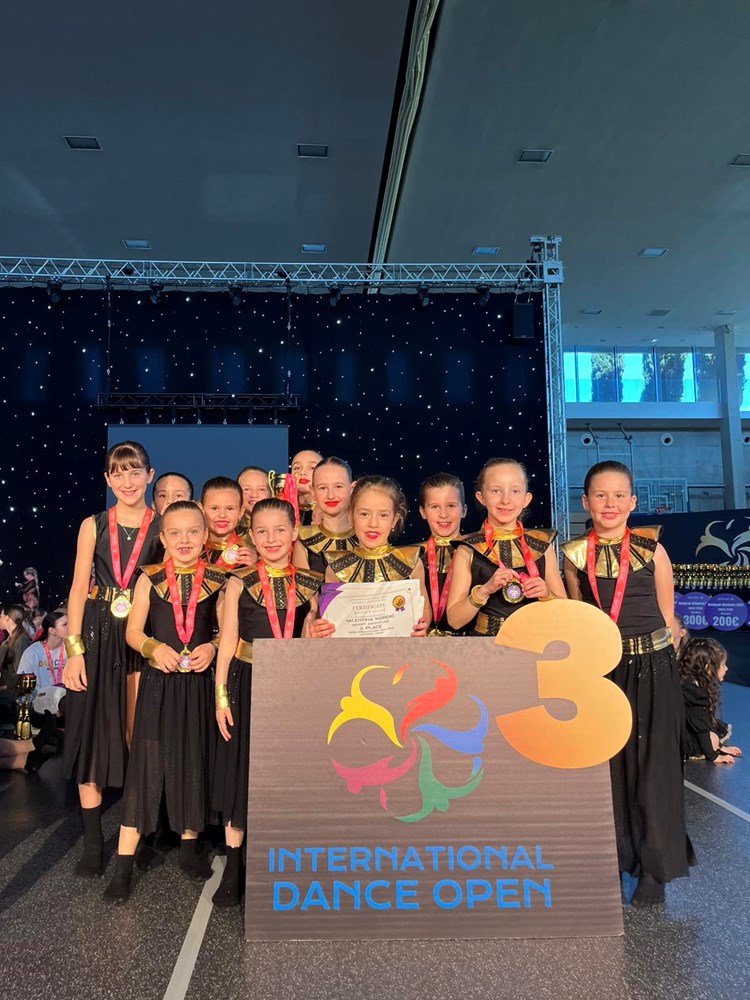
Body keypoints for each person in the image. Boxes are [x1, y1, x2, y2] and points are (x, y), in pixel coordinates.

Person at [562, 459, 693, 906]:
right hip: (604, 671)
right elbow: (581, 618)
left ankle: (656, 871)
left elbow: (668, 616)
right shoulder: (573, 556)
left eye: (619, 495)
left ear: (633, 502)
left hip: (654, 668)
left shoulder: (653, 550)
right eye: (600, 495)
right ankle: (615, 861)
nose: (610, 503)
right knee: (609, 771)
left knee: (655, 769)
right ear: (585, 502)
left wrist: (671, 675)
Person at [103, 502, 226, 904]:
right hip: (159, 683)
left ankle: (189, 851)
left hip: (197, 686)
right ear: (163, 538)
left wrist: (211, 646)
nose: (184, 540)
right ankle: (123, 867)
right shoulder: (149, 578)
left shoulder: (219, 580)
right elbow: (133, 632)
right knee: (147, 766)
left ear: (205, 536)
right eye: (175, 533)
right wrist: (153, 648)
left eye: (193, 531)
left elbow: (225, 632)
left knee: (192, 761)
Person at [211, 498, 322, 907]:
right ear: (251, 537)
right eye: (262, 531)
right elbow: (227, 642)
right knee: (240, 772)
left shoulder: (311, 583)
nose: (271, 538)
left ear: (294, 533)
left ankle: (280, 862)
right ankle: (233, 868)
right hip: (246, 680)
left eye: (279, 530)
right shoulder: (238, 582)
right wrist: (221, 696)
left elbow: (311, 638)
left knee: (287, 772)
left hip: (293, 685)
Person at [62, 440, 162, 878]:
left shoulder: (164, 525)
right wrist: (74, 650)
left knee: (140, 736)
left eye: (135, 471)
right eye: (118, 473)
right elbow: (77, 588)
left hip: (142, 632)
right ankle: (91, 843)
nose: (127, 481)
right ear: (107, 479)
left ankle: (138, 832)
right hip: (98, 632)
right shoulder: (94, 524)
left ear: (149, 475)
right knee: (91, 735)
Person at [447, 458, 564, 636]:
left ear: (526, 499)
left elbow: (565, 612)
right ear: (481, 497)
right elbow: (455, 620)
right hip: (485, 645)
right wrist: (484, 591)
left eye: (515, 491)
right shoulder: (468, 547)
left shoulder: (542, 544)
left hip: (534, 641)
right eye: (496, 491)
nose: (506, 500)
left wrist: (547, 594)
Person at [310, 475, 430, 638]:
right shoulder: (336, 568)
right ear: (351, 515)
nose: (373, 523)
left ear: (394, 520)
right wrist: (321, 629)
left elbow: (424, 609)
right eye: (364, 514)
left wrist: (422, 625)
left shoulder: (411, 562)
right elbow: (330, 620)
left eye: (383, 515)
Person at [417, 473, 468, 635]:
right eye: (434, 507)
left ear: (464, 510)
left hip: (468, 643)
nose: (443, 514)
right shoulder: (410, 556)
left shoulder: (479, 552)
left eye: (451, 506)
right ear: (423, 512)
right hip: (421, 643)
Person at [17, 609, 68, 772]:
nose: (70, 627)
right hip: (40, 702)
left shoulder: (70, 648)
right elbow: (24, 687)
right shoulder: (33, 652)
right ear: (52, 630)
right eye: (65, 624)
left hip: (65, 699)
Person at [679, 636, 742, 765]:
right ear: (708, 668)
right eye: (723, 665)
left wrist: (720, 747)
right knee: (711, 739)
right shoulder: (691, 692)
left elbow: (704, 720)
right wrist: (713, 756)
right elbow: (700, 727)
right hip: (678, 733)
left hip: (687, 725)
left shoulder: (694, 681)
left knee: (713, 735)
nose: (726, 668)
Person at [293, 456, 357, 574]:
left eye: (338, 487)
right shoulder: (304, 539)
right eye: (322, 488)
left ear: (352, 489)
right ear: (313, 491)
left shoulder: (366, 537)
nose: (331, 495)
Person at [201, 476, 256, 571]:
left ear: (241, 512)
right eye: (214, 508)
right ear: (201, 510)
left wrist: (255, 568)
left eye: (230, 509)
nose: (222, 515)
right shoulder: (192, 551)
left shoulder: (249, 554)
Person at [0, 604, 32, 696]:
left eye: (1, 616)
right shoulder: (9, 640)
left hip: (13, 693)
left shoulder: (21, 640)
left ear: (7, 618)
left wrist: (6, 687)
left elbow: (21, 670)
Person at [290, 449, 322, 525]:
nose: (302, 472)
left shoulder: (331, 511)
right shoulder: (284, 510)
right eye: (297, 468)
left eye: (312, 468)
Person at [237, 465, 271, 534]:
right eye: (247, 489)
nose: (254, 495)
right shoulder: (229, 529)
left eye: (261, 489)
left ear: (271, 493)